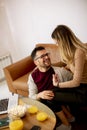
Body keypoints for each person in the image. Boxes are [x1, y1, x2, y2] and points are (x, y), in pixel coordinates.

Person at [28, 46, 74, 130]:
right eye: (42, 56)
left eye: (47, 54)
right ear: (36, 62)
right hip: (46, 103)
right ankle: (68, 117)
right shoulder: (32, 76)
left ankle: (67, 124)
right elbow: (31, 96)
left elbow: (74, 79)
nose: (47, 57)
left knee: (51, 94)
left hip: (59, 100)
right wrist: (40, 94)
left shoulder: (60, 71)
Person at [51, 25, 87, 115]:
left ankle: (69, 119)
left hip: (84, 89)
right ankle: (69, 117)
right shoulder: (71, 51)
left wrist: (58, 84)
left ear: (63, 41)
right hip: (79, 87)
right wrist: (59, 68)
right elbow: (70, 64)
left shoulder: (79, 52)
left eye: (57, 42)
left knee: (52, 95)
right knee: (51, 91)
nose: (56, 45)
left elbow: (76, 82)